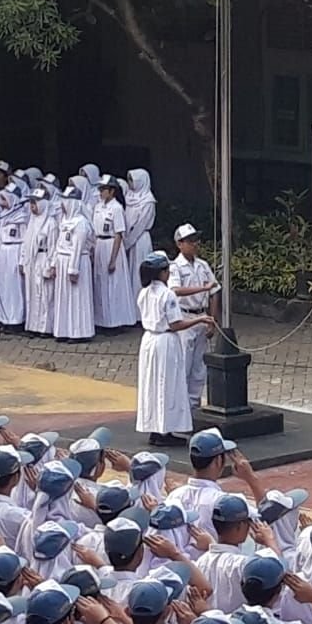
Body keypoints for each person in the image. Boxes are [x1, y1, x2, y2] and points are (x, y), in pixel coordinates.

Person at [136, 251, 215, 446]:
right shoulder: (167, 294)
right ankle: (165, 430)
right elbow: (175, 324)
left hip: (148, 340)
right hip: (165, 341)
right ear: (162, 273)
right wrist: (200, 319)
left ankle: (155, 428)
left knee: (152, 384)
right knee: (168, 384)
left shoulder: (144, 292)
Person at [172, 225, 222, 408]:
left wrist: (212, 320)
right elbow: (175, 290)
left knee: (199, 367)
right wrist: (202, 288)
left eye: (196, 240)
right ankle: (181, 405)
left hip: (202, 316)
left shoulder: (203, 265)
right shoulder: (175, 267)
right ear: (180, 244)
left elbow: (214, 291)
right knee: (184, 365)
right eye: (190, 240)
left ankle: (194, 404)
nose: (195, 244)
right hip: (185, 317)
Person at [91, 175, 135, 331]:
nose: (101, 192)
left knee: (113, 284)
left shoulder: (116, 208)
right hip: (99, 244)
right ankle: (102, 320)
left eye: (104, 189)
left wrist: (113, 259)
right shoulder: (98, 207)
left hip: (111, 244)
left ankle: (116, 322)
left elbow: (118, 234)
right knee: (100, 283)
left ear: (112, 191)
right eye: (100, 189)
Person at [52, 186, 95, 344]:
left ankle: (79, 332)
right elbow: (59, 243)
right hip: (62, 259)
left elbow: (78, 246)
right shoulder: (65, 220)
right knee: (64, 297)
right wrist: (54, 263)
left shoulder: (81, 222)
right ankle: (64, 330)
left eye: (65, 201)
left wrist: (73, 269)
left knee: (77, 297)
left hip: (76, 261)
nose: (62, 204)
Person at [21, 187, 59, 337]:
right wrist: (23, 260)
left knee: (45, 295)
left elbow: (53, 246)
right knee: (32, 293)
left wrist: (51, 265)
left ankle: (45, 328)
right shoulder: (32, 221)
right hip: (32, 261)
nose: (32, 206)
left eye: (35, 202)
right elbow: (26, 242)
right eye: (31, 203)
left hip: (44, 259)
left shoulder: (50, 223)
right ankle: (33, 325)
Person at [0, 182, 28, 330]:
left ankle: (17, 319)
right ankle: (5, 317)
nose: (2, 203)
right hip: (3, 251)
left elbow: (25, 240)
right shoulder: (2, 215)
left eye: (5, 199)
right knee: (4, 286)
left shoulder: (21, 217)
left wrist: (22, 260)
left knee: (15, 288)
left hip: (15, 250)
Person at [124, 169, 157, 297]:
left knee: (139, 270)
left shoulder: (148, 201)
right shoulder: (130, 197)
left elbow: (141, 224)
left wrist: (128, 242)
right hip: (128, 238)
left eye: (133, 180)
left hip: (140, 239)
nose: (130, 183)